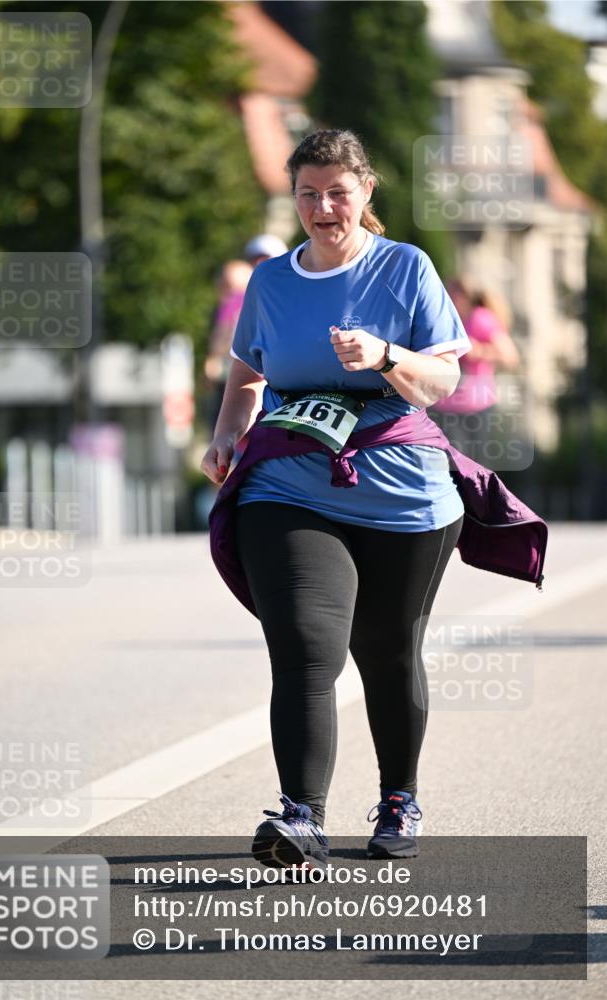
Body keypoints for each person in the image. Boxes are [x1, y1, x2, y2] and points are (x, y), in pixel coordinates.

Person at [201, 129, 477, 872]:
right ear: (293, 199)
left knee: (386, 653)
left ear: (366, 193)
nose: (324, 208)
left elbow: (442, 383)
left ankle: (397, 797)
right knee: (302, 649)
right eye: (308, 194)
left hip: (398, 487)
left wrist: (385, 356)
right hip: (289, 481)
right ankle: (299, 818)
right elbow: (245, 376)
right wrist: (226, 436)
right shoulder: (270, 281)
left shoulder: (405, 268)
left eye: (337, 193)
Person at [432, 281, 519, 458]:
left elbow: (510, 355)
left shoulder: (480, 317)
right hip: (449, 405)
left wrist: (479, 351)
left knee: (474, 464)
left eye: (451, 295)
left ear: (464, 296)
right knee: (451, 462)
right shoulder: (452, 321)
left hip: (476, 404)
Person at [204, 259, 253, 429]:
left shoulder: (240, 306)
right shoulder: (221, 311)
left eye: (229, 286)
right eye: (223, 285)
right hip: (226, 386)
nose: (225, 292)